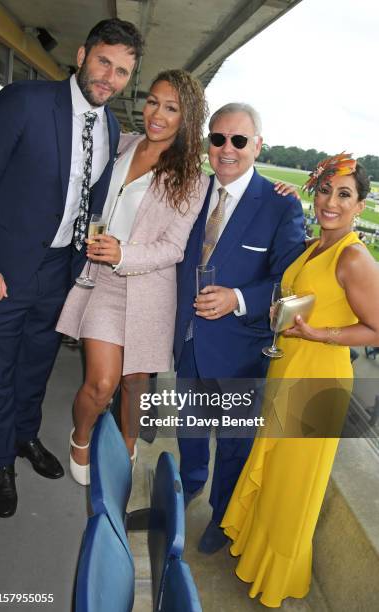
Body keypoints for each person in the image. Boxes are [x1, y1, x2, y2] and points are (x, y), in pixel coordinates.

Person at [0, 18, 143, 518]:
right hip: (4, 270)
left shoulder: (111, 125)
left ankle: (26, 437)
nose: (109, 78)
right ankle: (2, 460)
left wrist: (87, 265)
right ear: (81, 55)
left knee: (36, 363)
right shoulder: (24, 102)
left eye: (121, 72)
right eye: (103, 62)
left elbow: (90, 204)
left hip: (59, 271)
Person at [222, 154, 379, 607]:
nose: (331, 200)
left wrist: (319, 334)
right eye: (326, 189)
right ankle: (255, 556)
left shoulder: (353, 257)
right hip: (289, 367)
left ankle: (276, 576)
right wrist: (283, 314)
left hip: (319, 379)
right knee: (274, 475)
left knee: (293, 487)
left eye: (344, 194)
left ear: (360, 206)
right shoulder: (316, 244)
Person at [56, 69, 210, 485]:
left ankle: (125, 446)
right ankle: (82, 437)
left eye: (171, 108)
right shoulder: (121, 145)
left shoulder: (192, 180)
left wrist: (125, 253)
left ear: (187, 118)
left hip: (150, 293)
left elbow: (173, 247)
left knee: (136, 382)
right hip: (104, 284)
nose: (157, 114)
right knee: (102, 383)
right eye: (153, 102)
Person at [173, 102, 306, 553]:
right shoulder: (192, 193)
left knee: (232, 443)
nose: (226, 149)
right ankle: (189, 484)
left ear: (257, 146)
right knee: (189, 428)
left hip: (240, 351)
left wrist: (239, 299)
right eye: (218, 138)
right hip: (187, 341)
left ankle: (222, 514)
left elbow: (289, 282)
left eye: (239, 140)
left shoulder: (279, 206)